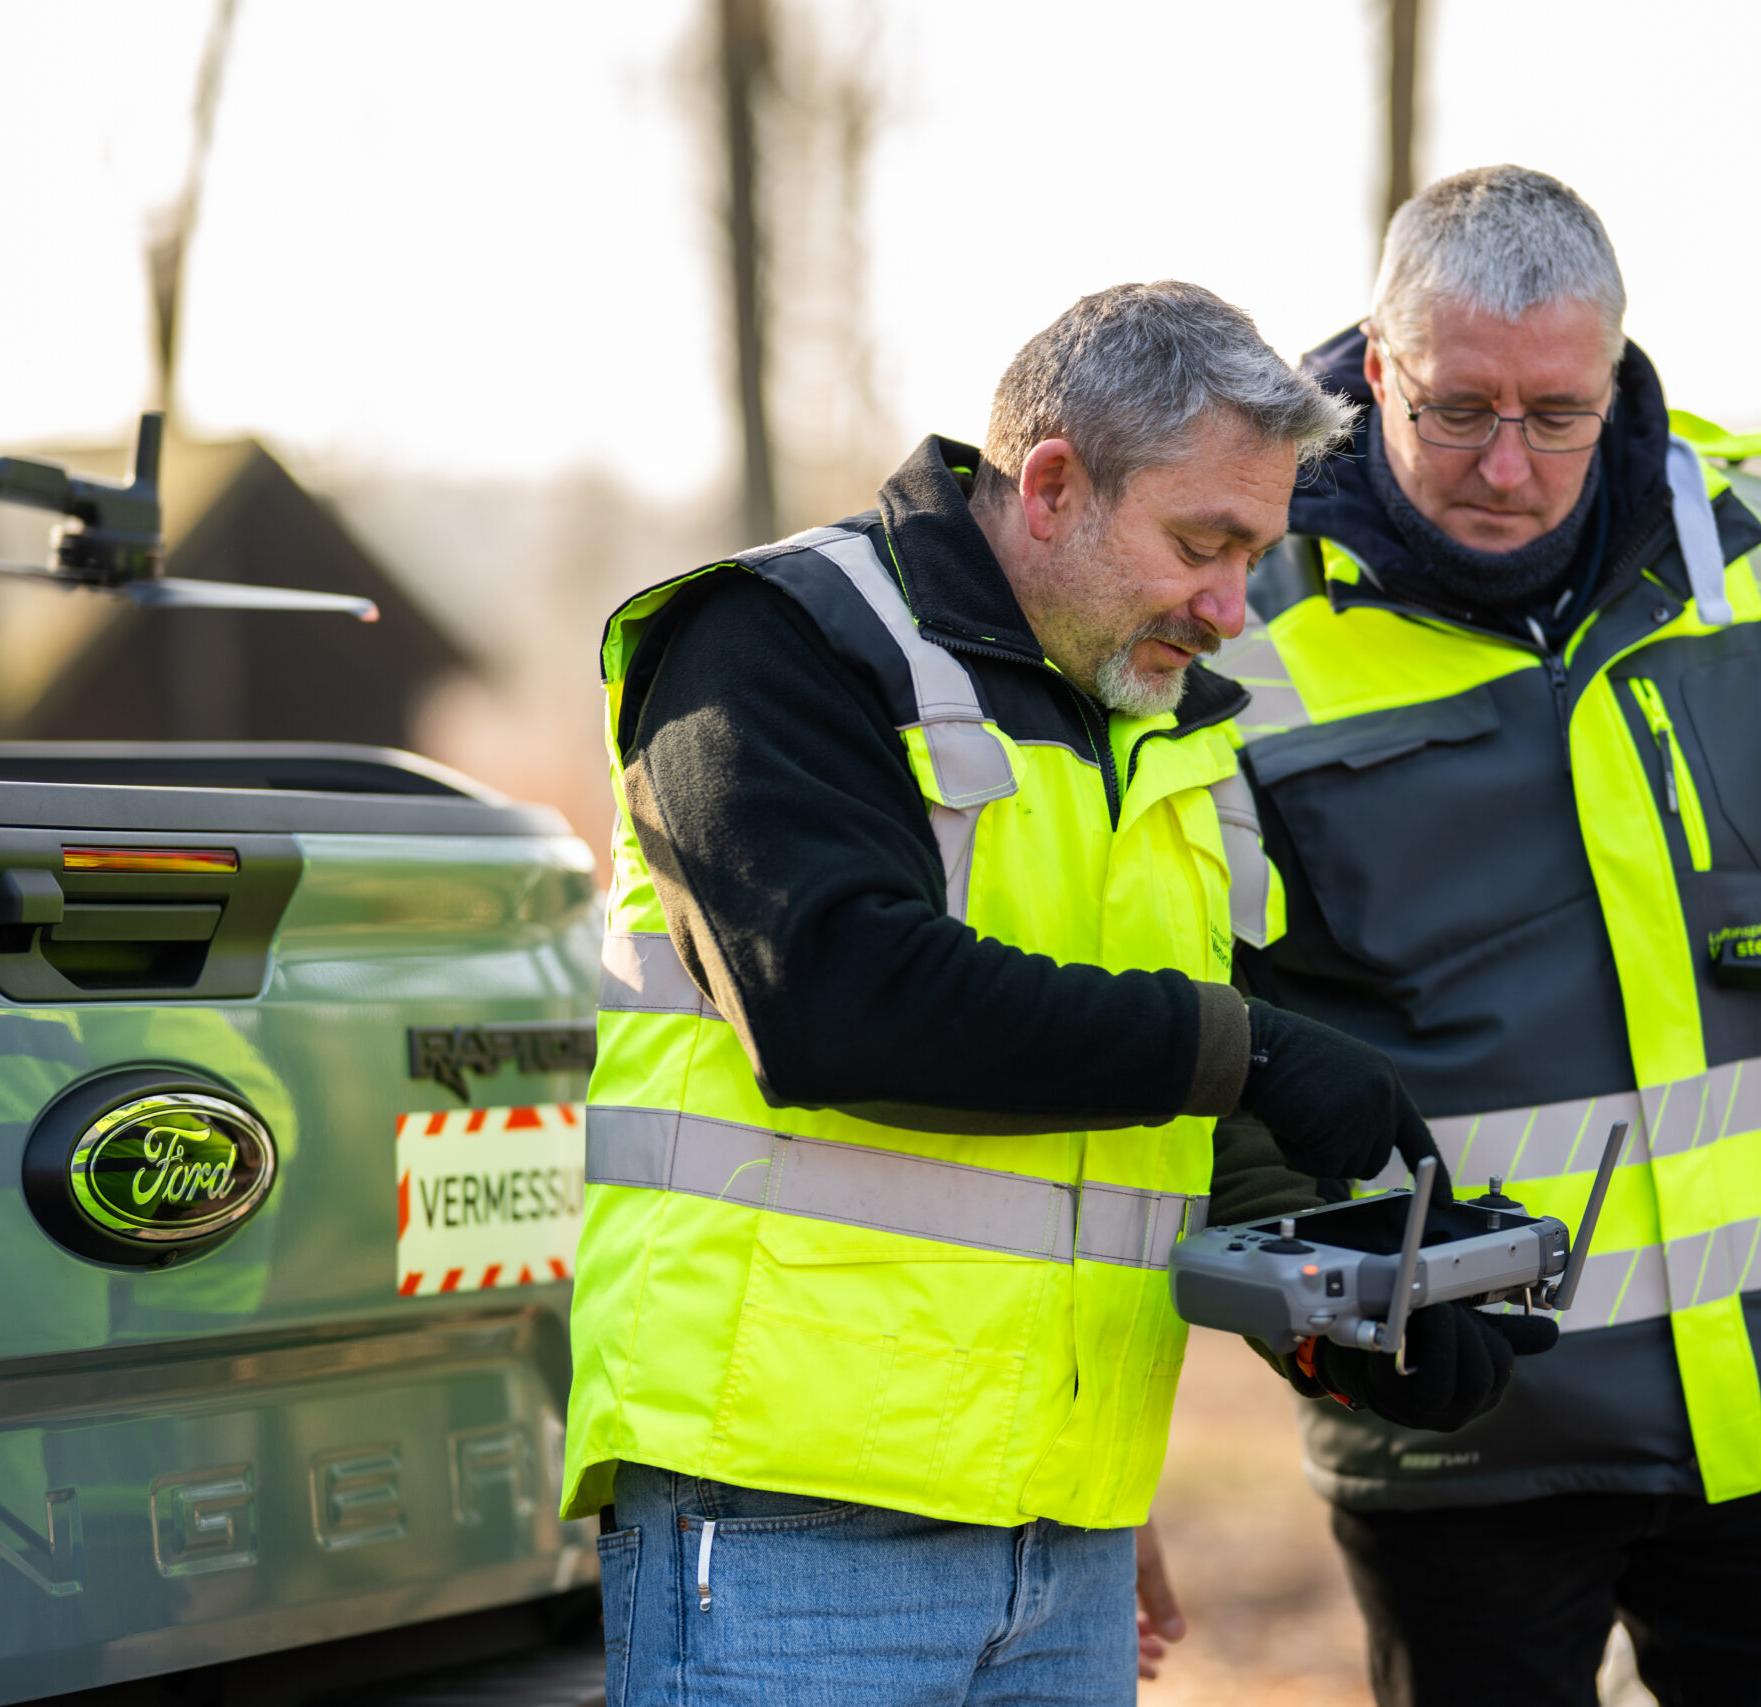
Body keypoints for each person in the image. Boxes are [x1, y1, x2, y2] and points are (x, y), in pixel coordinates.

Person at [560, 280, 1556, 1707]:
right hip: (784, 1526)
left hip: (1069, 1536)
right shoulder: (774, 641)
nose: (1229, 608)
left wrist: (1351, 1308)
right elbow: (835, 997)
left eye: (1253, 555)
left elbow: (1170, 1118)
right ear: (1050, 486)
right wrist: (1252, 1051)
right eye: (1201, 545)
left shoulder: (1167, 732)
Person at [1206, 166, 1761, 1706]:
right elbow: (1200, 1037)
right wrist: (1320, 1321)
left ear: (1617, 371)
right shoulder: (1243, 625)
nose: (1508, 466)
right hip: (1460, 1434)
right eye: (1457, 410)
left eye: (1558, 414)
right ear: (1378, 366)